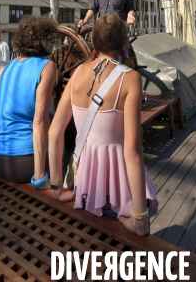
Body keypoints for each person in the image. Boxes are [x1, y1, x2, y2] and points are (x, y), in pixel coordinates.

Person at [49, 13, 157, 236]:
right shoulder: (131, 79)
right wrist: (139, 217)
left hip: (84, 184)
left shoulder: (78, 72)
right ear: (125, 42)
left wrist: (57, 187)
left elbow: (54, 132)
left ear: (94, 42)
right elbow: (133, 152)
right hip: (120, 189)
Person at [0, 15, 59, 189]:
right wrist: (40, 178)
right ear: (47, 40)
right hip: (24, 167)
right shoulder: (47, 66)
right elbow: (39, 120)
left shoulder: (8, 67)